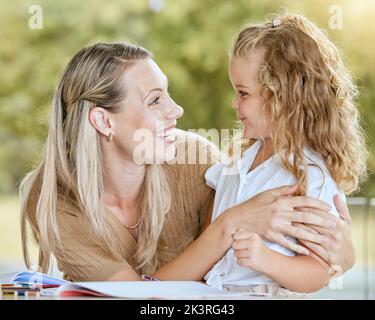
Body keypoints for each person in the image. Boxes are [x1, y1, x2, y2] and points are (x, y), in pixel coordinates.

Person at [20, 41, 355, 283]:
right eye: (154, 101)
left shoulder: (198, 163)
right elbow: (137, 298)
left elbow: (273, 256)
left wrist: (340, 255)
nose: (176, 110)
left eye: (167, 93)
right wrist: (229, 225)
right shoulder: (54, 197)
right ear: (104, 122)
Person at [203, 13, 367, 295]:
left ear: (283, 99)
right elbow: (209, 236)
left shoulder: (309, 176)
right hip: (212, 292)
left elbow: (319, 271)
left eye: (243, 93)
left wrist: (266, 260)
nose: (234, 103)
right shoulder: (236, 162)